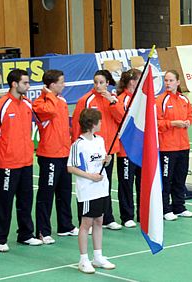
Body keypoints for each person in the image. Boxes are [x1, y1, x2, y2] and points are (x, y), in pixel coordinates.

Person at [0, 69, 42, 252]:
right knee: (4, 201)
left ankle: (26, 234)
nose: (28, 86)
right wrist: (1, 155)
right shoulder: (0, 106)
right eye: (25, 83)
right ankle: (0, 238)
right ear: (14, 84)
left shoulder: (27, 104)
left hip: (26, 161)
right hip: (8, 163)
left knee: (26, 200)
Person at [71, 70, 123, 230]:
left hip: (107, 149)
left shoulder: (113, 99)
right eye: (96, 82)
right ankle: (87, 221)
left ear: (108, 83)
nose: (98, 85)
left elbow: (121, 118)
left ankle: (107, 218)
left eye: (101, 82)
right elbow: (76, 124)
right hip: (88, 151)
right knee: (89, 183)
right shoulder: (85, 100)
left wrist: (112, 102)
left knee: (104, 184)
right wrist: (77, 144)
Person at [68, 109, 116, 274]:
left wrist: (107, 161)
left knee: (99, 221)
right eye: (100, 121)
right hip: (87, 190)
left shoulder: (100, 140)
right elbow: (70, 167)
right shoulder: (78, 144)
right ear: (92, 124)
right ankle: (83, 259)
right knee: (86, 224)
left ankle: (98, 256)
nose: (102, 124)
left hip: (101, 188)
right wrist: (89, 176)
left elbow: (101, 162)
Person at [33, 70, 77, 244]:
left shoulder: (62, 101)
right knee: (46, 194)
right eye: (60, 82)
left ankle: (65, 226)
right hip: (49, 154)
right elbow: (49, 112)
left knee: (65, 192)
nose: (63, 85)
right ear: (51, 85)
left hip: (64, 153)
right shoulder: (40, 102)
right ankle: (43, 231)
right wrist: (49, 95)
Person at [157, 70, 192, 221]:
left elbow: (190, 115)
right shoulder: (160, 101)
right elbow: (156, 122)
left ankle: (179, 207)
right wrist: (172, 123)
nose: (168, 83)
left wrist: (187, 122)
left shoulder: (184, 99)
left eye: (171, 80)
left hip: (183, 145)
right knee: (167, 180)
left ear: (178, 82)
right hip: (167, 147)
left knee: (180, 177)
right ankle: (165, 209)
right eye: (166, 80)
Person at [114, 69, 142, 227]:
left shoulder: (141, 99)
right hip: (126, 150)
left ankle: (142, 214)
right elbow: (124, 122)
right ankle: (127, 216)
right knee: (126, 183)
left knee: (141, 183)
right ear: (132, 82)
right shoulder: (122, 99)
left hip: (140, 149)